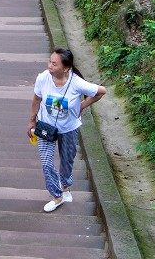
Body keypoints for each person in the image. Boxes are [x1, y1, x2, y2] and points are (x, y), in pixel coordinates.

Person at [27, 48, 106, 212]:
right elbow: (36, 99)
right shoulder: (43, 78)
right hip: (46, 126)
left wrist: (82, 106)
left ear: (65, 68)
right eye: (49, 61)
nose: (49, 66)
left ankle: (65, 186)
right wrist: (32, 121)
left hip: (69, 128)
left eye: (54, 64)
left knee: (67, 159)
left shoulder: (77, 83)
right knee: (47, 162)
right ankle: (57, 197)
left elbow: (101, 91)